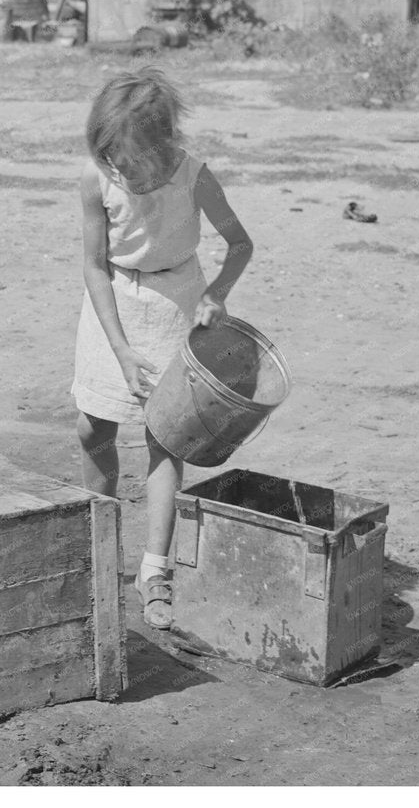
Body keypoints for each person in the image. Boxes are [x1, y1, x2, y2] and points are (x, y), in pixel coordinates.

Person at [72, 67, 253, 629]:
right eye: (110, 158)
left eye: (128, 157)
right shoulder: (95, 178)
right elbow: (94, 266)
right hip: (113, 305)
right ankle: (94, 550)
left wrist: (217, 294)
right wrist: (121, 349)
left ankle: (155, 570)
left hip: (177, 300)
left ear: (162, 143)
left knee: (164, 436)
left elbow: (241, 244)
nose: (119, 168)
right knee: (92, 428)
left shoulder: (196, 178)